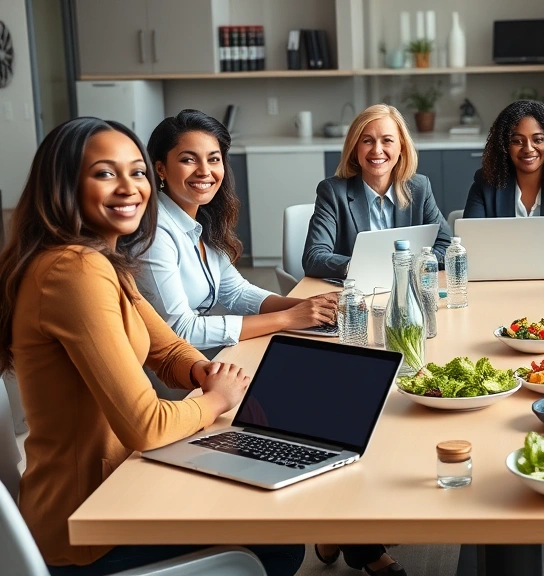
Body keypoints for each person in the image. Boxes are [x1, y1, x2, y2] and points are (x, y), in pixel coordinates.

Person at [0, 117, 303, 575]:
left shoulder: (102, 260)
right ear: (64, 185)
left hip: (119, 486)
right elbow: (146, 424)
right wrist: (216, 399)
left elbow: (166, 349)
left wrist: (202, 373)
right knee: (279, 544)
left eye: (136, 171)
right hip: (86, 526)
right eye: (105, 173)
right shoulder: (73, 272)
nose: (129, 187)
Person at [136, 109, 338, 354]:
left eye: (213, 159)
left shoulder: (202, 221)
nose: (204, 171)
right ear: (160, 168)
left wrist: (307, 307)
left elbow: (236, 292)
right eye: (188, 159)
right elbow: (181, 330)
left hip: (207, 351)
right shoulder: (155, 233)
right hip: (172, 368)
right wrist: (288, 318)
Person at [303, 104, 452, 279]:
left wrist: (413, 266)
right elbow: (314, 258)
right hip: (356, 296)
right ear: (355, 147)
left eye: (387, 140)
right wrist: (364, 267)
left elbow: (446, 245)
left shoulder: (419, 188)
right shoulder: (333, 193)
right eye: (367, 141)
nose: (377, 150)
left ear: (401, 147)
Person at [463, 99, 544, 230]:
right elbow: (469, 238)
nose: (528, 149)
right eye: (517, 141)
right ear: (504, 145)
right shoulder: (486, 182)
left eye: (538, 140)